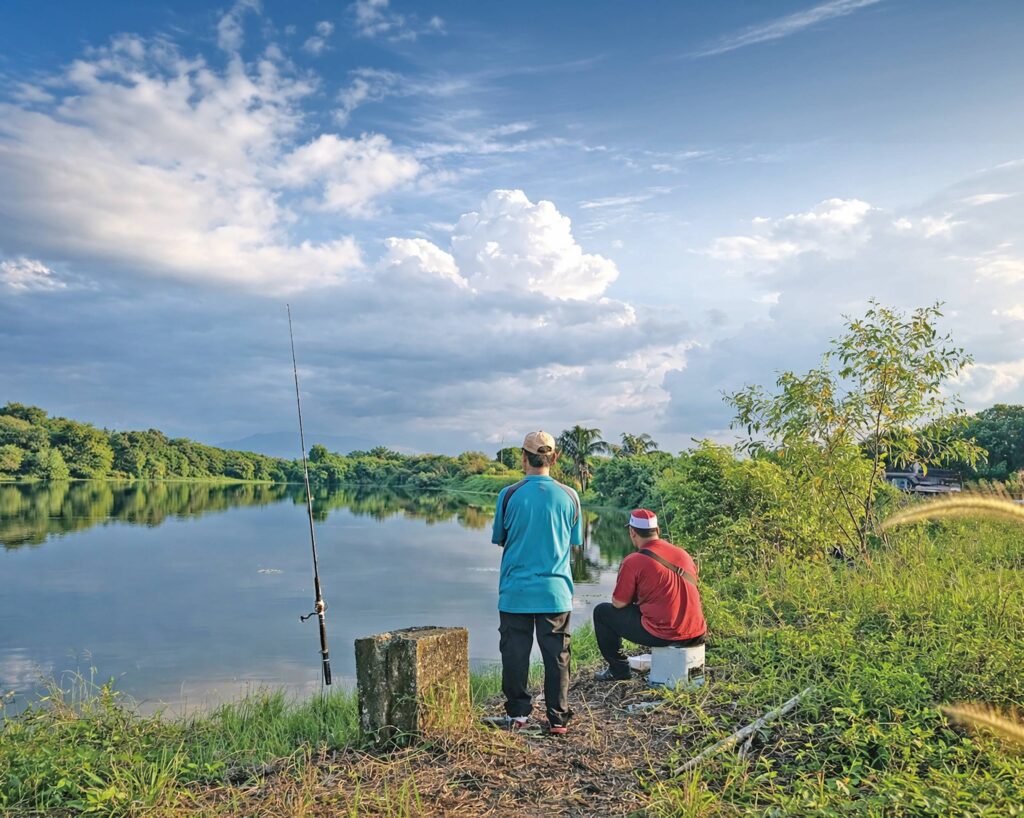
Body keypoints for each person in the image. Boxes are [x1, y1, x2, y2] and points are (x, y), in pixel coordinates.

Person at [490, 431, 583, 734]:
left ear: (523, 457)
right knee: (557, 656)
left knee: (515, 654)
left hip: (516, 592)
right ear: (554, 458)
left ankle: (518, 714)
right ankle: (558, 718)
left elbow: (501, 539)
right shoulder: (570, 495)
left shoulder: (509, 494)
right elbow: (574, 542)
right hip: (555, 592)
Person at [592, 509, 706, 681]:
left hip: (665, 634)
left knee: (602, 612)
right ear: (657, 531)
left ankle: (619, 670)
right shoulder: (683, 554)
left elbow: (618, 603)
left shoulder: (633, 561)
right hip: (697, 631)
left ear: (632, 532)